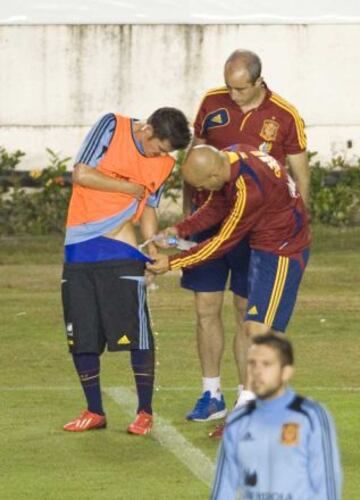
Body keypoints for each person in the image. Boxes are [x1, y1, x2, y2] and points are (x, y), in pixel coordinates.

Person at [180, 49, 310, 423]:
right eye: (228, 86)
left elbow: (300, 171)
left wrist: (299, 218)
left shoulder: (285, 115)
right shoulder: (211, 102)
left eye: (239, 88)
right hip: (210, 217)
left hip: (253, 229)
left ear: (258, 82)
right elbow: (194, 156)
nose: (232, 95)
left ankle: (245, 399)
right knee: (205, 309)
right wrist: (190, 212)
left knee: (244, 312)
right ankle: (210, 393)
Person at [147, 144, 310, 415]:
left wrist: (171, 263)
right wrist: (180, 228)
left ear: (212, 176)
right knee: (258, 331)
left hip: (283, 249)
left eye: (202, 185)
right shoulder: (233, 156)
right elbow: (216, 205)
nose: (203, 191)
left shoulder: (248, 189)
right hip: (264, 246)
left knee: (260, 332)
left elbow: (222, 242)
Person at [61, 107, 191, 435]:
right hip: (78, 249)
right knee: (82, 335)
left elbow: (149, 206)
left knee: (136, 332)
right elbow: (81, 174)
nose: (160, 156)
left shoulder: (164, 162)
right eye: (158, 147)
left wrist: (152, 247)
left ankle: (144, 412)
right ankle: (94, 410)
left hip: (121, 249)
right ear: (147, 129)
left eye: (167, 153)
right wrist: (130, 189)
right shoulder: (111, 126)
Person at [211, 334, 342, 500]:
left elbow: (326, 485)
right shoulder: (238, 422)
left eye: (267, 364)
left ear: (286, 372)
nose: (257, 372)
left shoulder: (311, 418)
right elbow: (223, 488)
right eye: (252, 364)